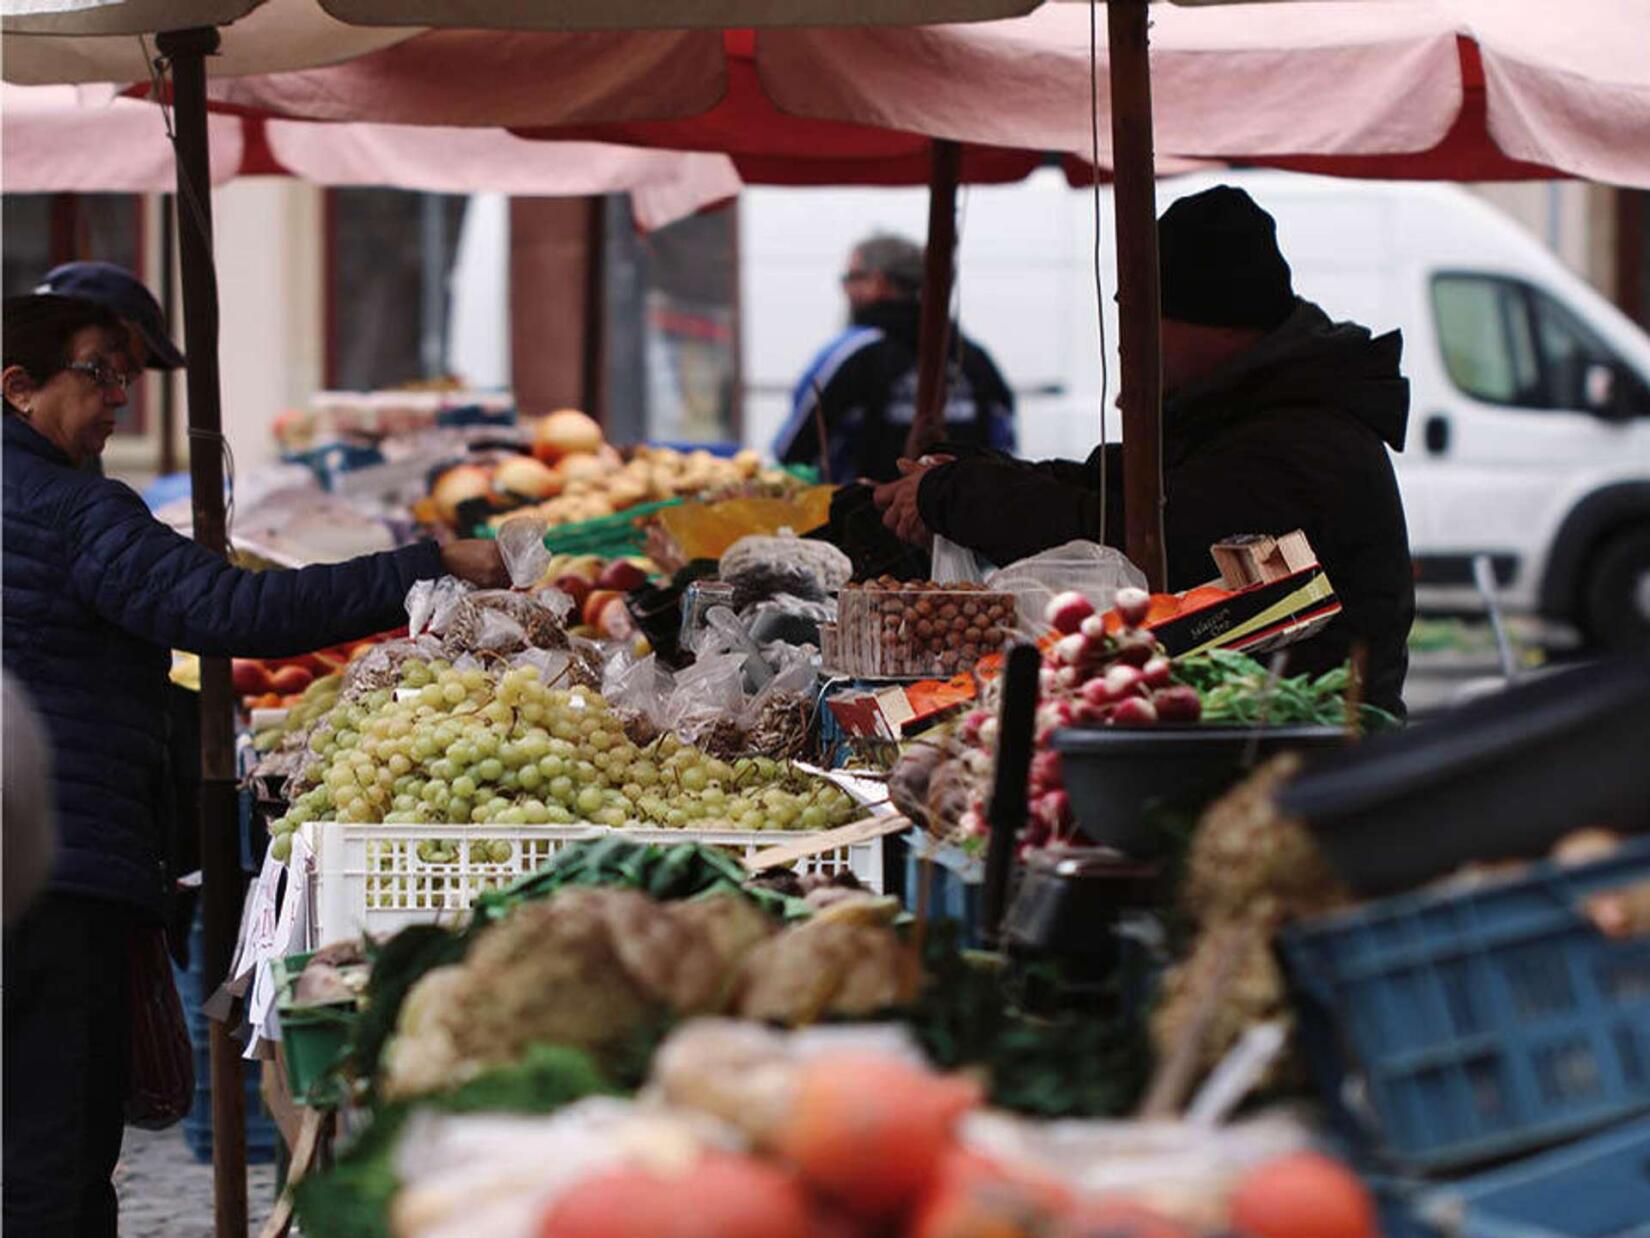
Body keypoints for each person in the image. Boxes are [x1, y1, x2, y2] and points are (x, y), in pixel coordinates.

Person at [0, 292, 508, 1237]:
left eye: (128, 374)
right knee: (53, 1154)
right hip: (55, 878)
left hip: (41, 853)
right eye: (99, 371)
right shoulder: (72, 511)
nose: (121, 396)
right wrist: (420, 569)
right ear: (18, 388)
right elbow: (236, 616)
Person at [872, 186, 1415, 716]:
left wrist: (958, 494)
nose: (1124, 339)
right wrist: (964, 474)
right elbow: (1105, 483)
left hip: (1307, 757)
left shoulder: (1300, 443)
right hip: (1239, 737)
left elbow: (1132, 541)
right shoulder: (1243, 412)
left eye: (1134, 312)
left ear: (1203, 319)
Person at [772, 232, 1016, 484]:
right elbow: (1004, 445)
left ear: (877, 283)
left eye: (850, 278)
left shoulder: (849, 354)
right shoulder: (973, 357)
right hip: (962, 516)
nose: (845, 289)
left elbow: (791, 452)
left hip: (863, 517)